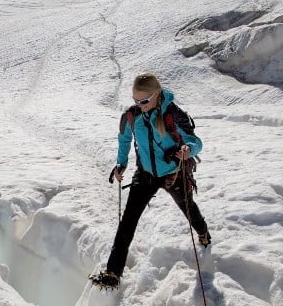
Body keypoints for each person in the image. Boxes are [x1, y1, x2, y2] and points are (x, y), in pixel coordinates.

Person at [90, 72, 211, 290]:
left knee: (188, 209)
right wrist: (120, 164)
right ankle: (113, 272)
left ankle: (203, 232)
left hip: (173, 173)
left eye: (144, 101)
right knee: (128, 221)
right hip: (145, 174)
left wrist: (188, 150)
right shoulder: (132, 116)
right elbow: (124, 139)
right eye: (135, 100)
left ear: (156, 94)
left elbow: (196, 142)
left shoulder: (173, 114)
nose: (139, 105)